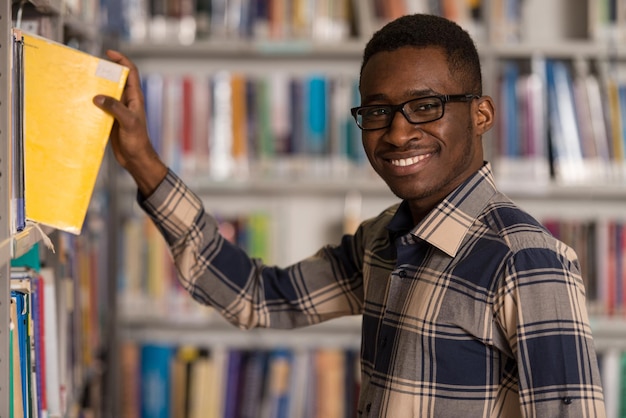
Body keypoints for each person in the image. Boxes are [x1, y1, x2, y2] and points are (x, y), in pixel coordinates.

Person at [94, 13, 606, 418]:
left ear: (481, 115)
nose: (399, 133)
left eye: (425, 106)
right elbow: (259, 298)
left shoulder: (527, 261)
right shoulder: (382, 241)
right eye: (378, 111)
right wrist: (142, 160)